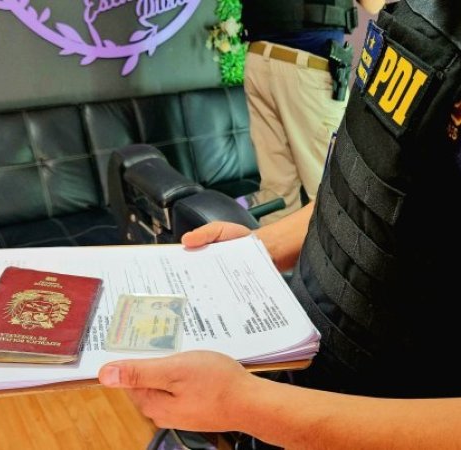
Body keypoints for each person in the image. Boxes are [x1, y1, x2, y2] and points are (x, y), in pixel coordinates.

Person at [98, 1, 461, 447]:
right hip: (308, 380)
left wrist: (248, 405)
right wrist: (258, 251)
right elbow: (367, 187)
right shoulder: (414, 21)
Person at [242, 0, 385, 225]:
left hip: (258, 59)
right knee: (336, 191)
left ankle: (272, 248)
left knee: (277, 192)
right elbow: (373, 4)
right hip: (305, 68)